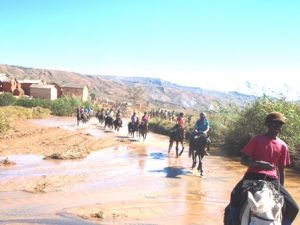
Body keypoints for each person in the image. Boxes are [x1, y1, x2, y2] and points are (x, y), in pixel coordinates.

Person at [228, 112, 299, 225]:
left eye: (280, 126)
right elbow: (243, 160)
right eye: (274, 125)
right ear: (268, 124)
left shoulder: (283, 145)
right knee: (234, 196)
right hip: (253, 176)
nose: (277, 128)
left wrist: (281, 188)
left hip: (273, 180)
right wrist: (259, 164)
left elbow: (281, 170)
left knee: (294, 208)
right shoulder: (256, 139)